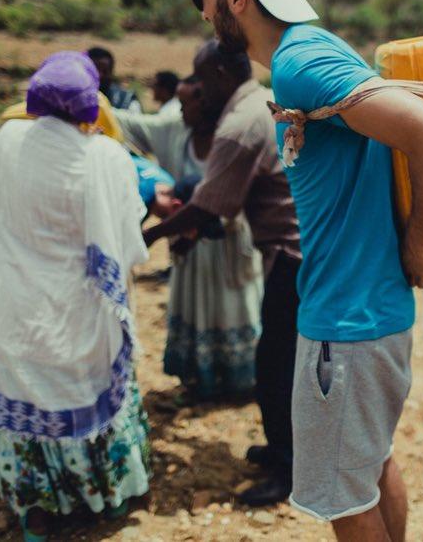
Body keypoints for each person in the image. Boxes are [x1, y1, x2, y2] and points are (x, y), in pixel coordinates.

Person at [187, 0, 423, 538]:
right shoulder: (321, 48)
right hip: (372, 311)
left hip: (345, 319)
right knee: (370, 466)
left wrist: (419, 241)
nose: (201, 11)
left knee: (344, 497)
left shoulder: (299, 64)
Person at [0, 52, 151, 541]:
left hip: (17, 307)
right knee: (86, 397)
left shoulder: (9, 138)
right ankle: (103, 497)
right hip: (77, 314)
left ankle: (35, 511)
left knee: (25, 401)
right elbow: (126, 229)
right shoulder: (103, 157)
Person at [143, 39, 302, 507]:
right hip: (296, 250)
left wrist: (149, 239)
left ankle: (288, 468)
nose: (191, 88)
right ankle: (280, 450)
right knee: (276, 361)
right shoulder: (262, 102)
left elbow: (209, 206)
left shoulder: (237, 125)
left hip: (289, 257)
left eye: (196, 78)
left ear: (218, 73)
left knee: (276, 368)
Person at [113, 55, 264, 406]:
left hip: (229, 245)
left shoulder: (236, 132)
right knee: (195, 309)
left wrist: (153, 234)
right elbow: (124, 124)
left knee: (235, 309)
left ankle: (241, 383)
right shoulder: (174, 131)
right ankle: (201, 381)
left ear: (207, 101)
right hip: (189, 247)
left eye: (185, 103)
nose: (179, 111)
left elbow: (220, 202)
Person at [87, 46, 142, 112]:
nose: (99, 75)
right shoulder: (72, 100)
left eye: (105, 71)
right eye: (94, 70)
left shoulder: (127, 100)